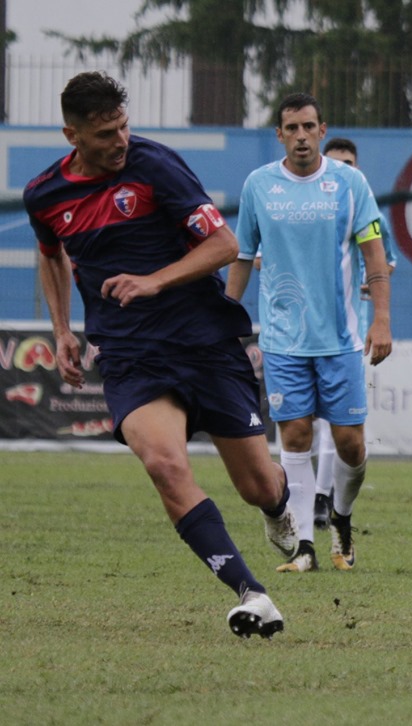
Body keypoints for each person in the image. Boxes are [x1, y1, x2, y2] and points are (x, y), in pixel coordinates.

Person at [22, 71, 298, 639]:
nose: (120, 141)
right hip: (130, 353)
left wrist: (155, 281)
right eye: (104, 134)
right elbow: (51, 256)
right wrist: (62, 330)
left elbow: (224, 244)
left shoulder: (156, 166)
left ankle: (278, 505)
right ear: (71, 134)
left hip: (203, 341)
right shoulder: (45, 195)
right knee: (165, 466)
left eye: (123, 126)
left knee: (257, 486)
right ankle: (252, 594)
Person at [226, 94, 392, 575]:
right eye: (291, 128)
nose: (300, 135)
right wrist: (224, 316)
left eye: (308, 127)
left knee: (350, 445)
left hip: (340, 338)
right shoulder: (260, 185)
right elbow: (241, 256)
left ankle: (340, 516)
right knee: (294, 435)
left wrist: (381, 319)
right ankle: (304, 546)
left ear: (323, 130)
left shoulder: (349, 183)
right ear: (279, 135)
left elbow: (375, 256)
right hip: (282, 340)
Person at [309, 136, 399, 532]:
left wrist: (368, 282)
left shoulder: (367, 210)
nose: (344, 168)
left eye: (350, 162)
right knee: (302, 422)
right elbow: (260, 255)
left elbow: (385, 261)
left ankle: (321, 495)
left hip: (349, 330)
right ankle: (312, 496)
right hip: (301, 330)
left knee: (338, 420)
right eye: (336, 162)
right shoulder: (302, 207)